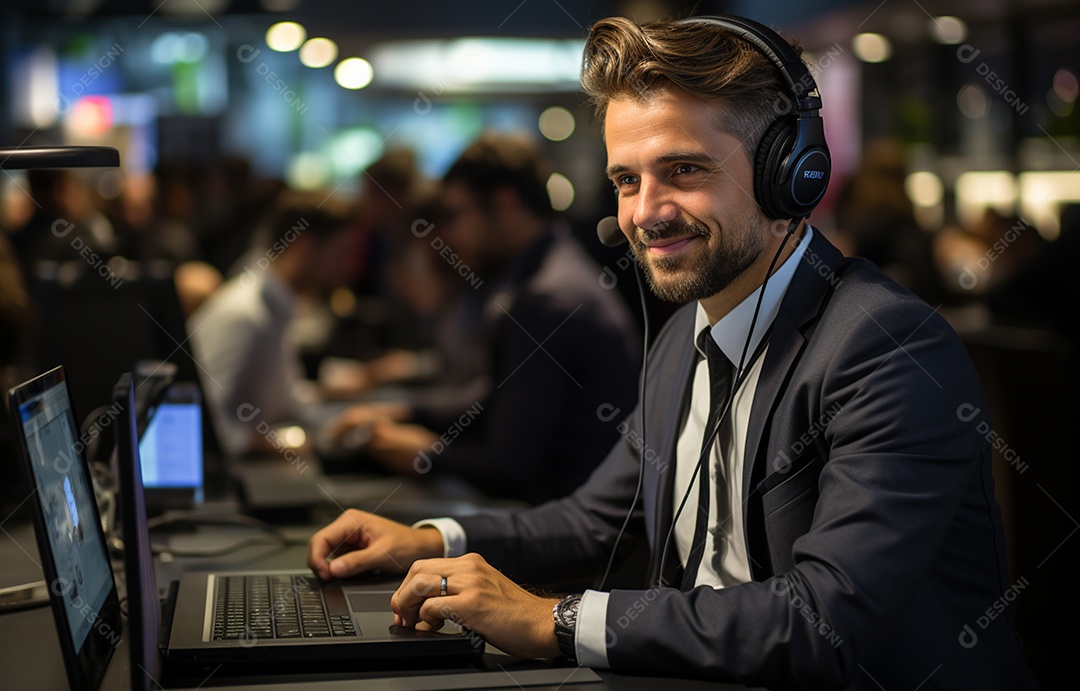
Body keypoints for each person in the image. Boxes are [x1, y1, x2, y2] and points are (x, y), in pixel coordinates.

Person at [307, 16, 1037, 690]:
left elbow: (824, 622)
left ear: (791, 171)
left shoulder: (886, 348)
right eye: (627, 179)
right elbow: (594, 522)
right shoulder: (685, 336)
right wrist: (429, 538)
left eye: (683, 170)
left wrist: (553, 619)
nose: (644, 213)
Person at [332, 133, 640, 504]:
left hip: (564, 524)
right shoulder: (550, 270)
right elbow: (496, 396)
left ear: (505, 205)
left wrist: (425, 454)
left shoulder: (545, 300)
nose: (452, 235)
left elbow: (509, 469)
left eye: (458, 215)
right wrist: (405, 412)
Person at [189, 195, 354, 456]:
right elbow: (201, 424)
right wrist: (289, 444)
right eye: (341, 253)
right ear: (304, 247)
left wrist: (349, 423)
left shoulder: (277, 306)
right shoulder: (244, 314)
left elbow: (286, 401)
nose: (347, 267)